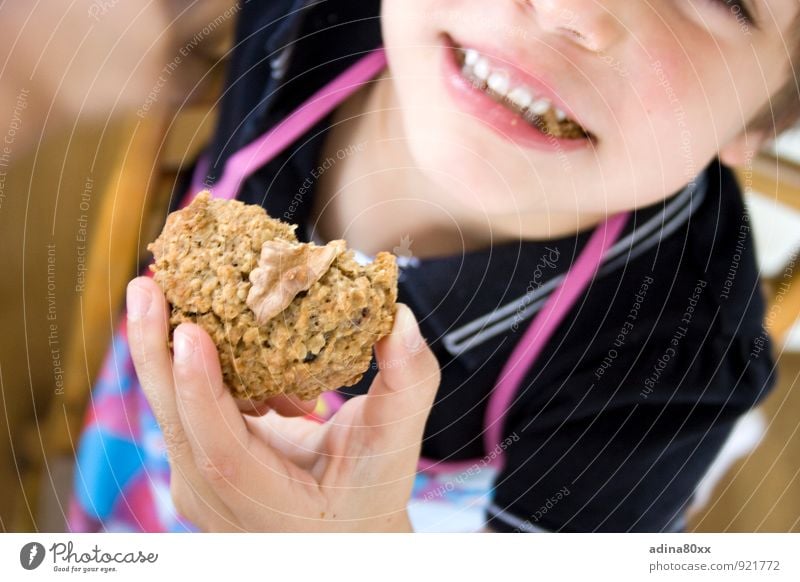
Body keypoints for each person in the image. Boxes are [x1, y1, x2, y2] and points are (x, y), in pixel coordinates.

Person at [71, 0, 798, 533]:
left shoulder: (669, 364)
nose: (569, 10)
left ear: (758, 120)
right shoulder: (309, 21)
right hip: (137, 438)